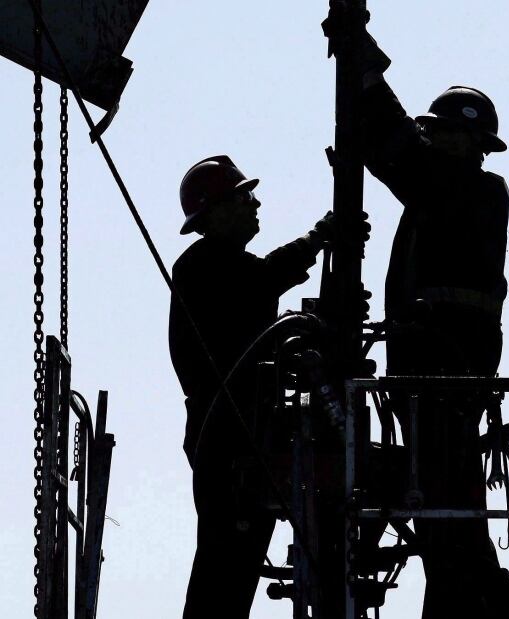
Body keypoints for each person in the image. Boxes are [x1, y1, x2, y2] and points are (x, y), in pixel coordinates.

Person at [353, 32, 509, 618]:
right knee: (437, 497)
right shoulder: (437, 195)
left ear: (476, 146)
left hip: (448, 370)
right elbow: (398, 156)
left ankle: (474, 597)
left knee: (446, 497)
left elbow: (402, 154)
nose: (440, 139)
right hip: (425, 373)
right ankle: (461, 599)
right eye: (437, 131)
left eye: (450, 133)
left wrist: (366, 71)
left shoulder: (476, 191)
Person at [168, 155, 334, 619]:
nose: (255, 203)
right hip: (225, 437)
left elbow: (257, 290)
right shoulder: (202, 268)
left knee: (234, 565)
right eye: (244, 197)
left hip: (245, 433)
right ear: (216, 210)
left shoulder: (225, 267)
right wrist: (317, 239)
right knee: (225, 563)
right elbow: (260, 282)